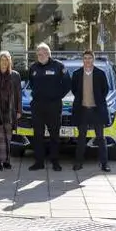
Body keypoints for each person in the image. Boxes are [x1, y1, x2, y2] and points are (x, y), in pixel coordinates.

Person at [27, 42, 71, 172]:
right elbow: (31, 83)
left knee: (54, 135)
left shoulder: (59, 66)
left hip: (54, 105)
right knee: (38, 135)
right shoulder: (33, 67)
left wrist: (57, 96)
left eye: (41, 54)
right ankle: (39, 162)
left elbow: (68, 84)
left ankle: (55, 161)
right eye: (37, 54)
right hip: (37, 106)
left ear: (47, 53)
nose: (39, 56)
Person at [70, 50, 111, 172]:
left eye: (89, 58)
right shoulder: (77, 74)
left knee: (100, 138)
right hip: (82, 110)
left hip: (96, 110)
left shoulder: (100, 73)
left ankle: (104, 164)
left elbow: (105, 90)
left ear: (93, 59)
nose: (87, 60)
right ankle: (78, 163)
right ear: (83, 60)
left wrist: (96, 101)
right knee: (81, 138)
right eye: (85, 58)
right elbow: (74, 89)